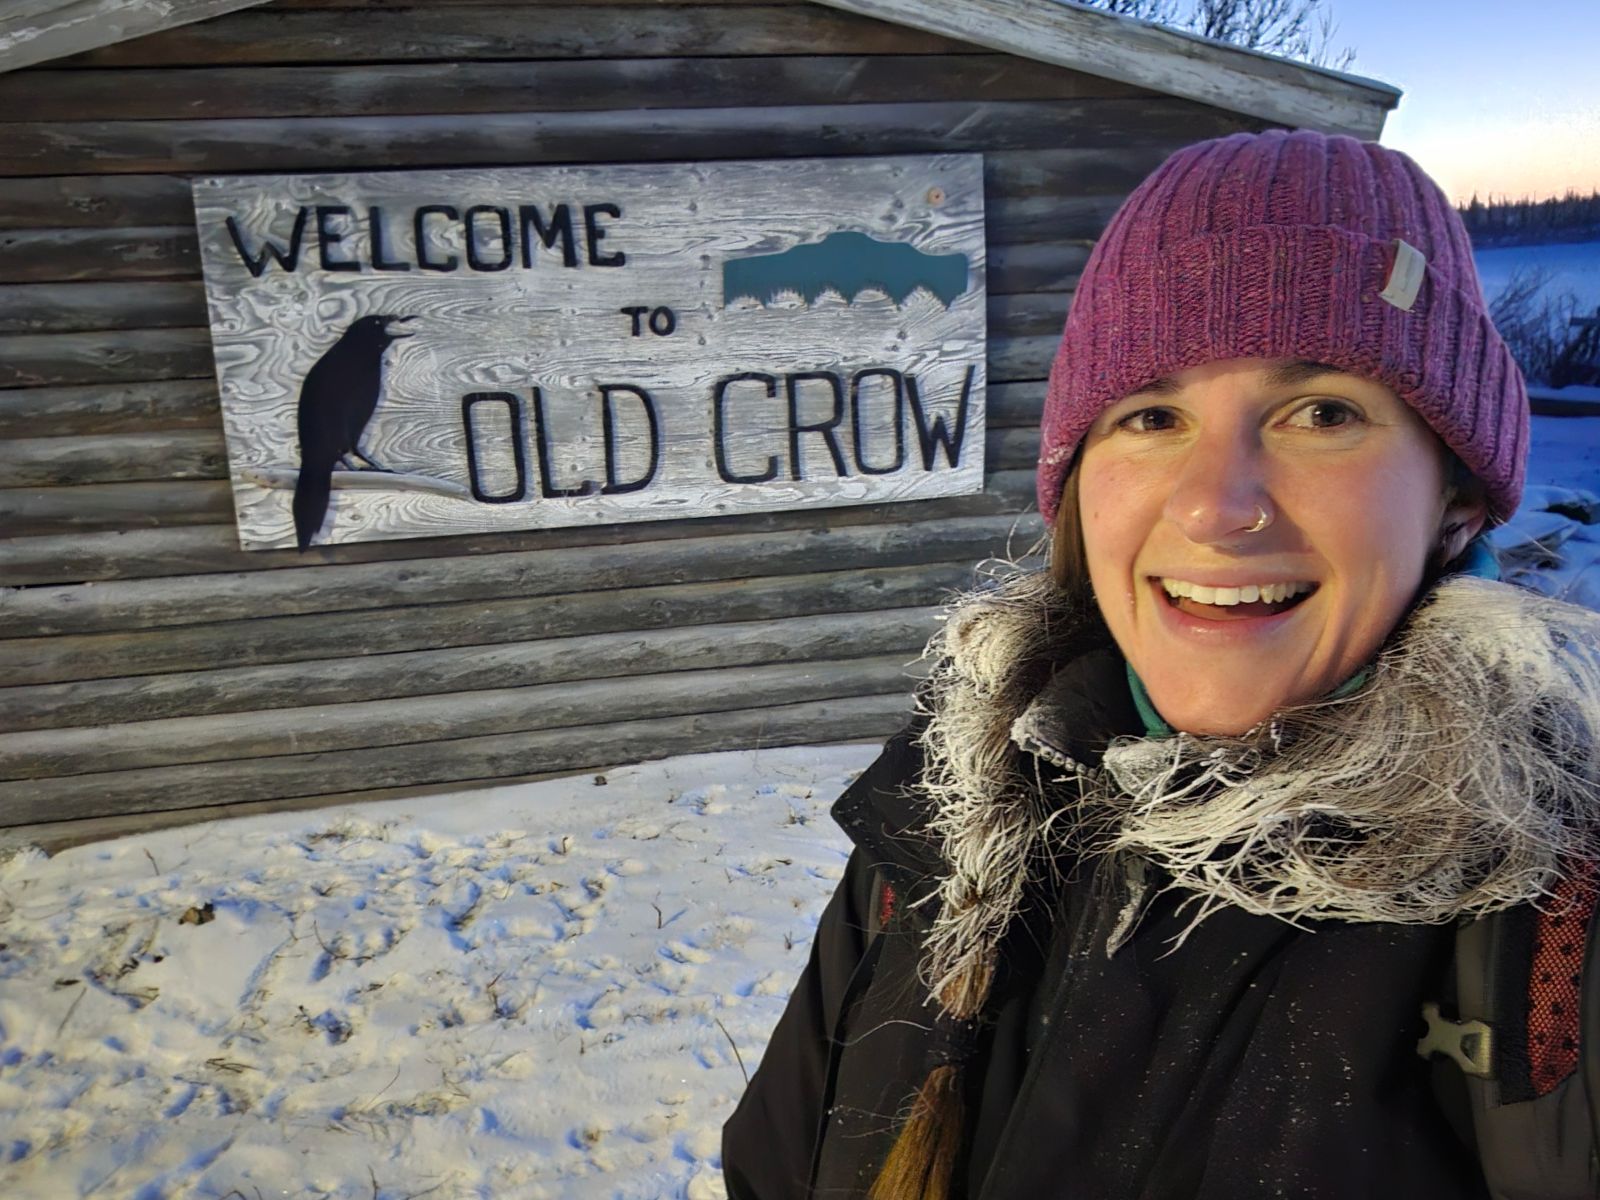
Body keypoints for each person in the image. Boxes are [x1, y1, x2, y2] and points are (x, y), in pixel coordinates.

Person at [721, 128, 1600, 1199]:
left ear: (1455, 500)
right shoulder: (948, 818)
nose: (1213, 505)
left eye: (1321, 412)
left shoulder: (1555, 910)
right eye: (1151, 414)